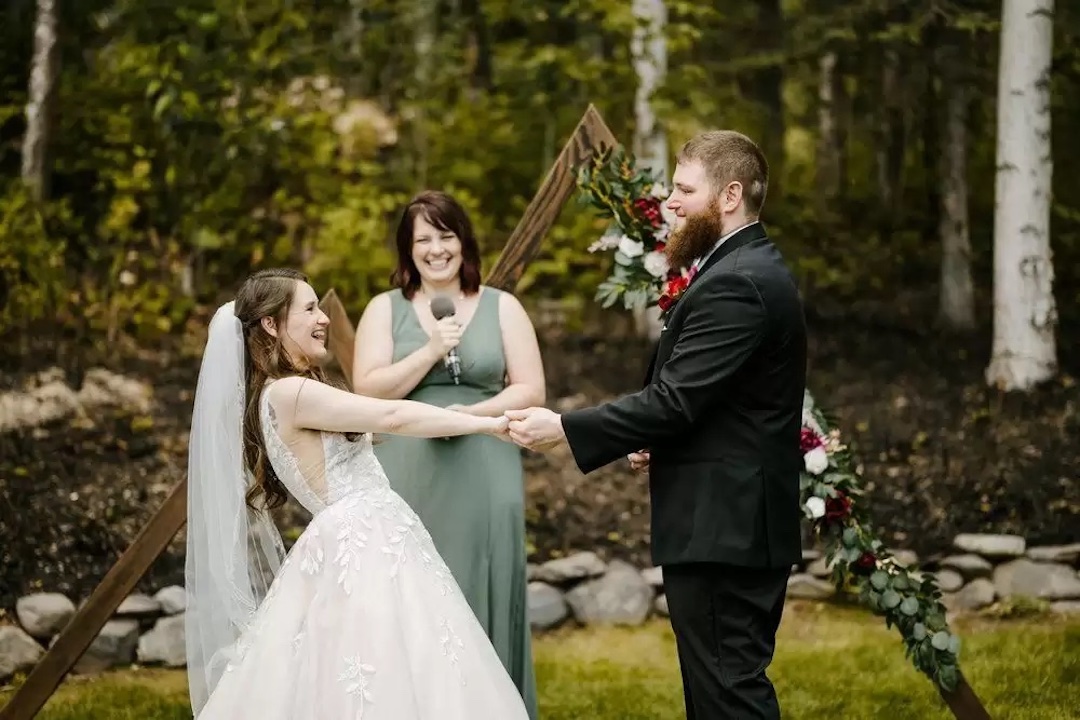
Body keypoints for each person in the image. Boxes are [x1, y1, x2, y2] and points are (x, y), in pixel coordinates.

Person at [505, 131, 807, 719]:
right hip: (728, 521)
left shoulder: (738, 281)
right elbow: (715, 401)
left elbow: (674, 401)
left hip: (725, 527)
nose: (670, 200)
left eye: (684, 188)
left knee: (728, 695)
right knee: (719, 689)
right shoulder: (739, 267)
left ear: (730, 195)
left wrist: (565, 428)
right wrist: (658, 440)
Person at [184, 268, 530, 720]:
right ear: (270, 324)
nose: (322, 317)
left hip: (365, 536)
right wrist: (489, 424)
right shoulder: (290, 392)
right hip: (364, 544)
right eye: (308, 309)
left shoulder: (278, 394)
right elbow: (392, 417)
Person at [351, 191, 542, 717]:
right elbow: (367, 391)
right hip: (409, 466)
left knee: (482, 576)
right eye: (423, 239)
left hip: (485, 460)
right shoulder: (383, 310)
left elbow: (530, 389)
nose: (437, 249)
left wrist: (467, 418)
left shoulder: (503, 306)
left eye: (446, 235)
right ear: (407, 250)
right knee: (411, 590)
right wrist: (432, 349)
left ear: (464, 240)